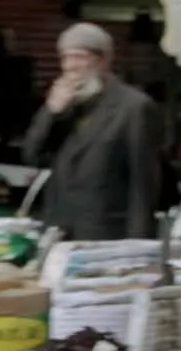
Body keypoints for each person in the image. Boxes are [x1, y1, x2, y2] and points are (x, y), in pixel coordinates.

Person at [20, 19, 168, 240]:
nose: (70, 66)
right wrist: (51, 113)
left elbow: (143, 185)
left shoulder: (134, 107)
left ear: (104, 60)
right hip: (59, 233)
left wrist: (137, 246)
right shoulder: (63, 105)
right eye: (65, 57)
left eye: (79, 57)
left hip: (106, 236)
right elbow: (32, 156)